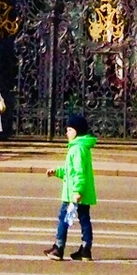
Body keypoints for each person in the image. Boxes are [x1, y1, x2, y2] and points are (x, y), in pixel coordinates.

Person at [43, 112, 97, 261]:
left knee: (65, 220)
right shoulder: (79, 147)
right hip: (79, 194)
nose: (67, 132)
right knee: (84, 219)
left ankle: (58, 248)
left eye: (69, 130)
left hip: (73, 196)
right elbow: (70, 171)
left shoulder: (77, 149)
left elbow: (79, 173)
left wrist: (77, 191)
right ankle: (86, 250)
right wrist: (57, 172)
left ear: (77, 131)